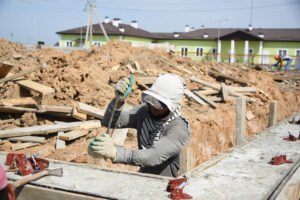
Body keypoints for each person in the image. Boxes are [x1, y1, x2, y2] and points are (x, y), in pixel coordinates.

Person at [90, 74, 191, 177]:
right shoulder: (144, 112)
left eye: (161, 105)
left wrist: (115, 153)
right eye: (153, 101)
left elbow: (153, 156)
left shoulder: (179, 128)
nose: (154, 107)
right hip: (144, 176)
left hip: (165, 184)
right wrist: (118, 101)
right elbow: (111, 122)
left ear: (173, 106)